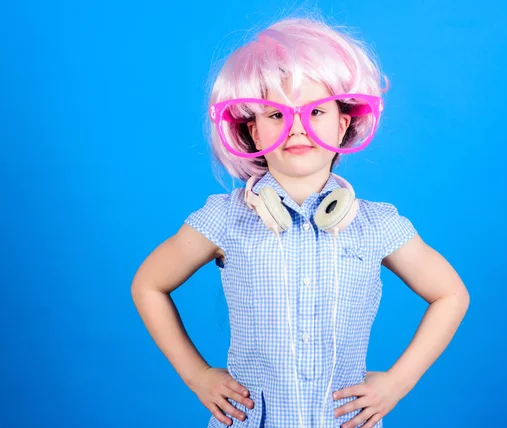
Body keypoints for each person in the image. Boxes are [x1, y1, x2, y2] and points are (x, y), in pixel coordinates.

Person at [131, 15, 470, 428]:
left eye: (316, 111)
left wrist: (398, 382)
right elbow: (149, 284)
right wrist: (197, 375)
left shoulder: (377, 225)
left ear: (344, 123)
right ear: (251, 131)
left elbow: (451, 294)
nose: (296, 128)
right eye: (275, 115)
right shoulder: (223, 218)